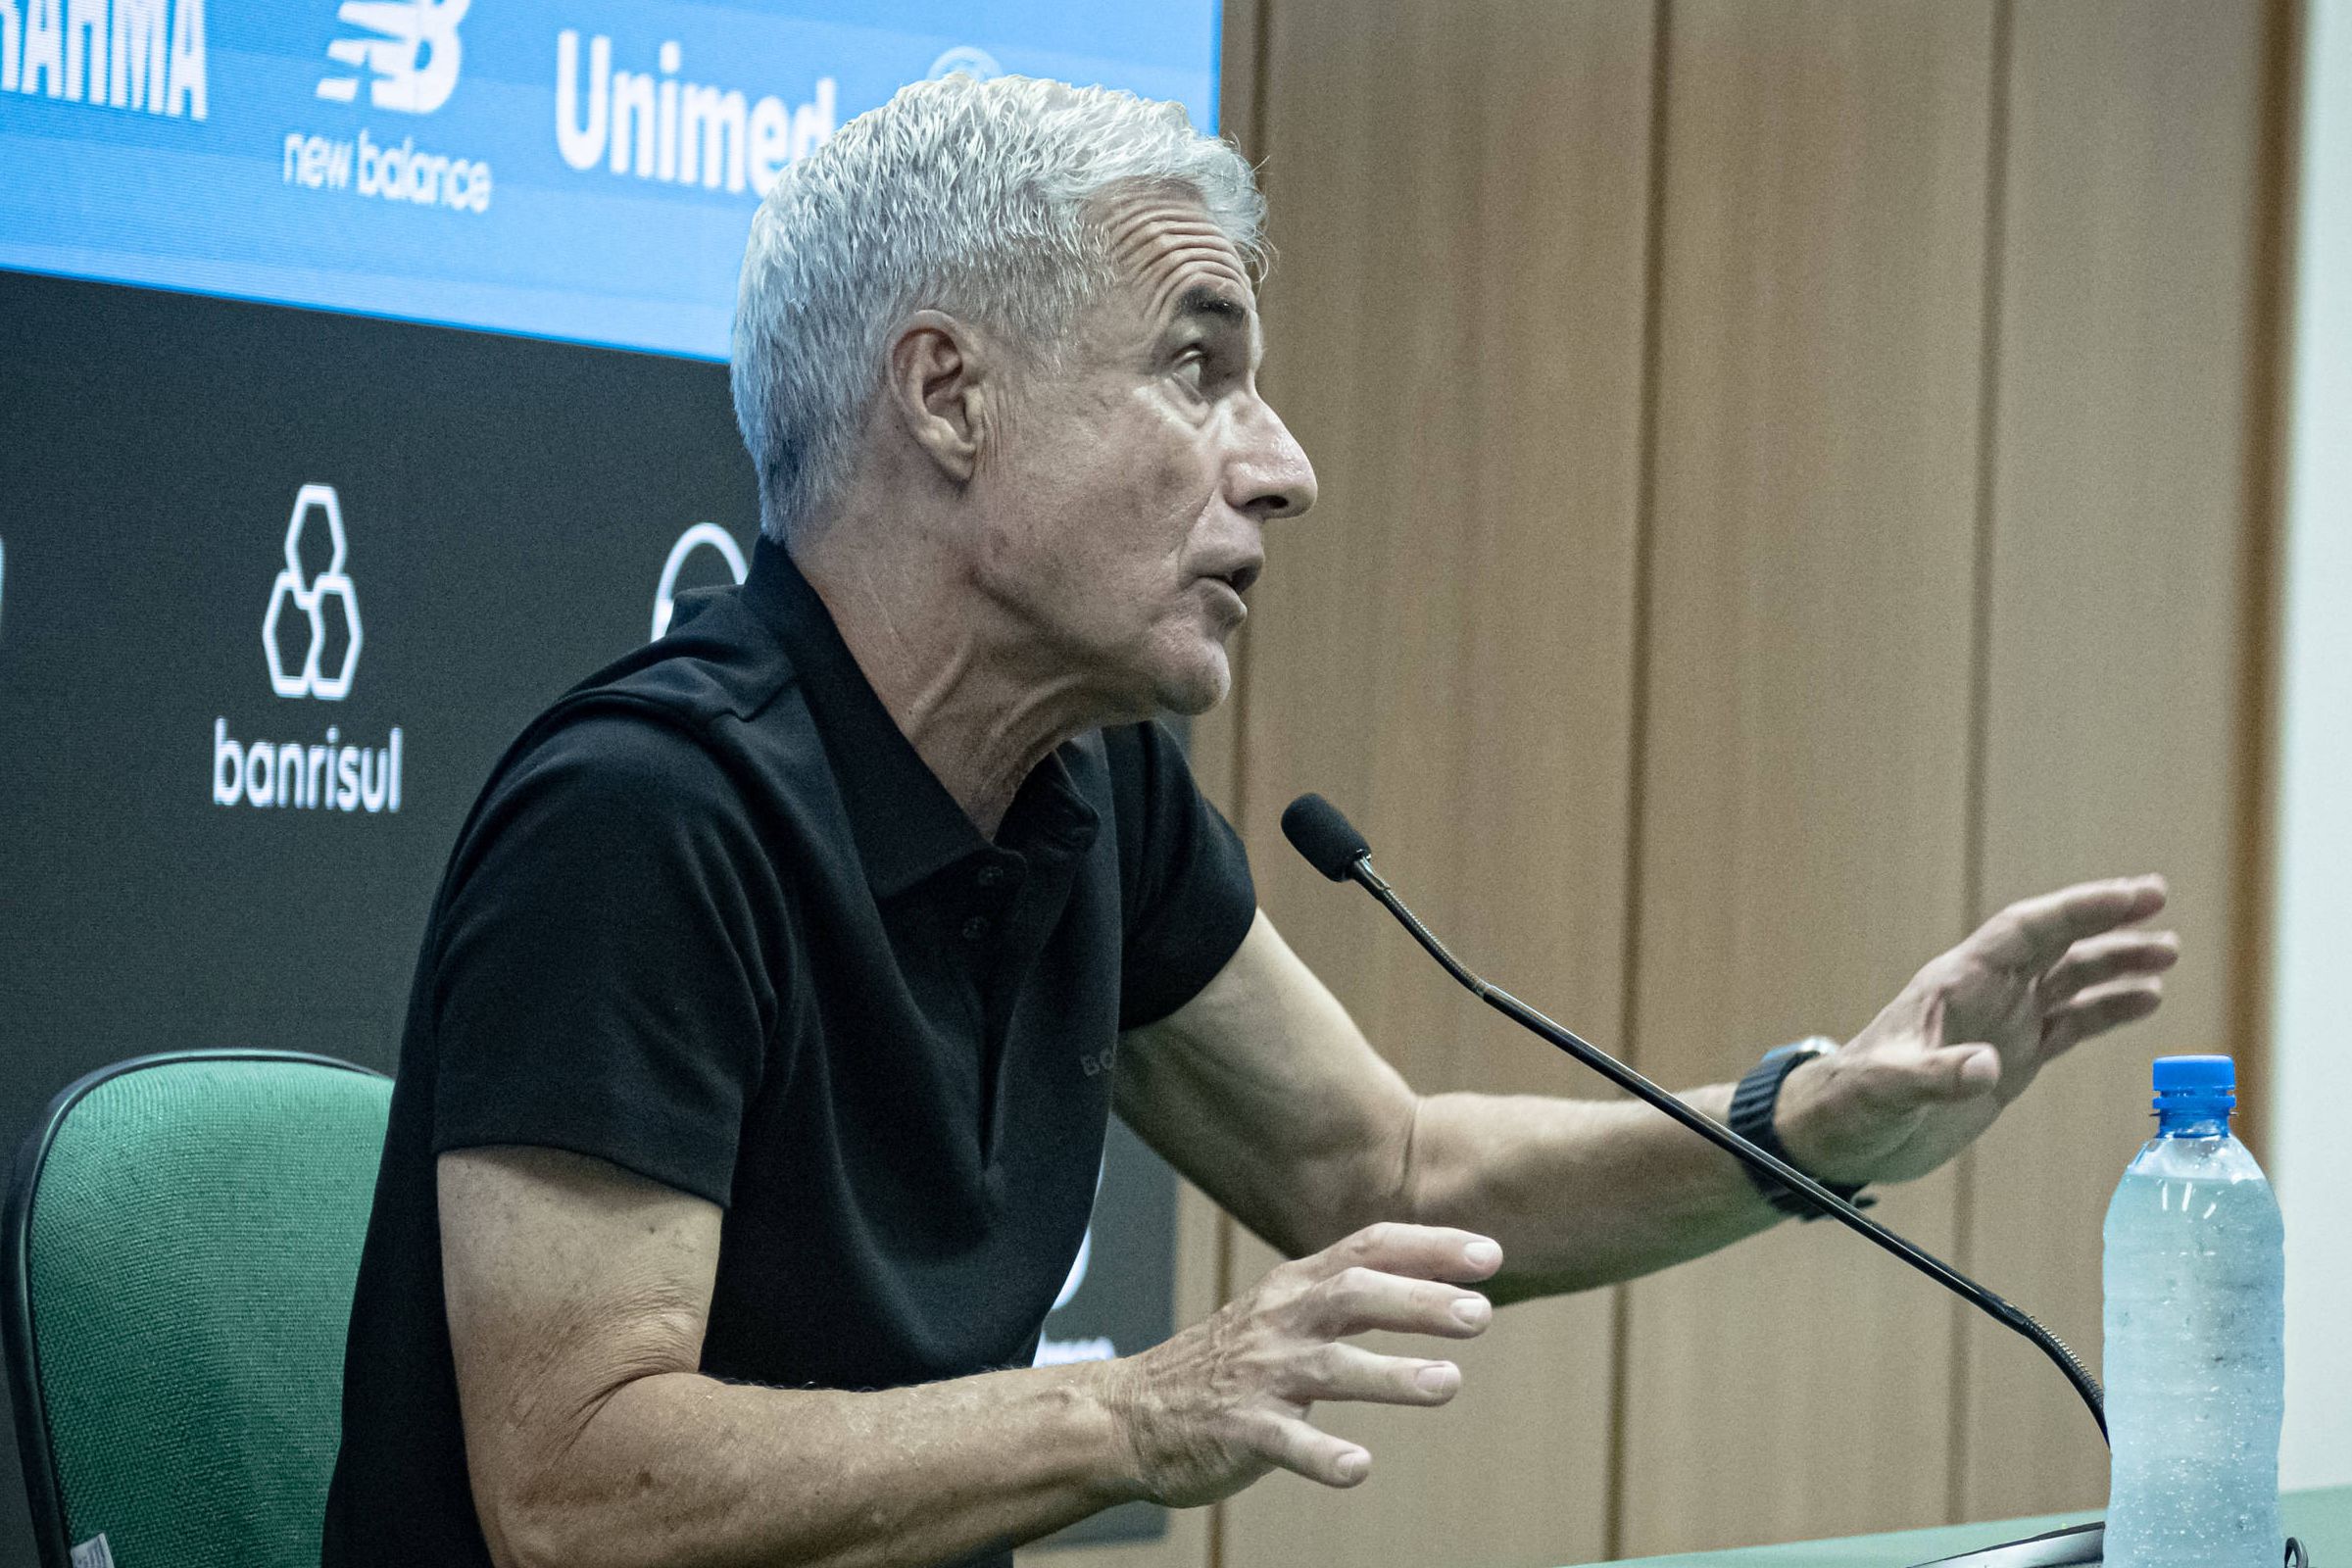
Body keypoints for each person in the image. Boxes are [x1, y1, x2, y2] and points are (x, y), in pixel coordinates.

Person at [321, 74, 2179, 1568]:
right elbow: (572, 1487)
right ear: (948, 393)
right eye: (1197, 366)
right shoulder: (646, 817)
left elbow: (1385, 1180)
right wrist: (1132, 1415)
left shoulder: (1086, 786)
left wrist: (1807, 1123)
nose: (1282, 466)